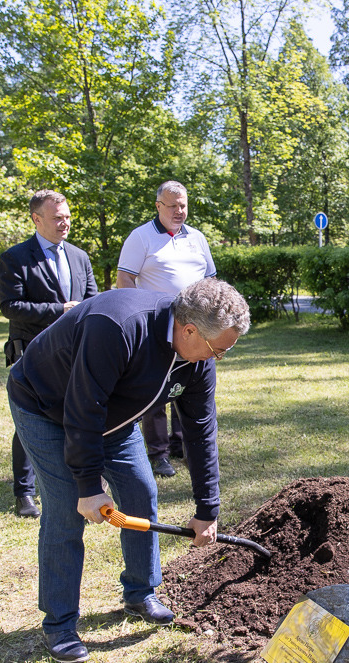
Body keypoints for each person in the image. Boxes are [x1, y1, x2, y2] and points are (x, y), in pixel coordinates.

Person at [7, 278, 250, 663]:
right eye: (217, 351)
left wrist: (208, 509)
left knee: (141, 490)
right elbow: (83, 408)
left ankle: (141, 592)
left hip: (113, 414)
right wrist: (88, 484)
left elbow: (200, 432)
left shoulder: (198, 358)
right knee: (68, 506)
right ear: (189, 330)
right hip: (47, 406)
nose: (216, 359)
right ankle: (60, 625)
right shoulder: (118, 327)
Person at [0, 190, 99, 517]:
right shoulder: (15, 258)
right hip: (33, 354)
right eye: (57, 218)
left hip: (74, 353)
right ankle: (24, 493)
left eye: (67, 216)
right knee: (31, 419)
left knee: (78, 414)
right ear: (36, 219)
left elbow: (92, 299)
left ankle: (78, 479)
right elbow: (10, 307)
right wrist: (59, 310)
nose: (64, 223)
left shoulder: (80, 257)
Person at [116, 180, 217, 480]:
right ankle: (158, 454)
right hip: (157, 328)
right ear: (158, 206)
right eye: (172, 205)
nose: (179, 211)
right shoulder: (141, 237)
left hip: (195, 328)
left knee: (188, 385)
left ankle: (182, 444)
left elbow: (210, 279)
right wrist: (138, 318)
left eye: (183, 205)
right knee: (157, 388)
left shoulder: (197, 238)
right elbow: (125, 280)